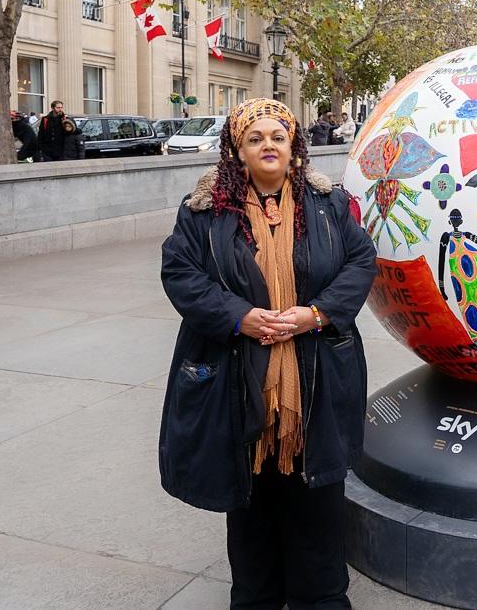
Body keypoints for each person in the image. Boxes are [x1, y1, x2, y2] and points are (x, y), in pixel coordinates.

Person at [159, 98, 377, 608]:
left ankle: (320, 599)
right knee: (251, 506)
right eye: (254, 138)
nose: (268, 145)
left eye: (277, 136)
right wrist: (240, 317)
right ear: (237, 149)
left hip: (316, 374)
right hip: (240, 379)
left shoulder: (328, 204)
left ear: (293, 146)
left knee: (318, 503)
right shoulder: (204, 212)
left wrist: (316, 314)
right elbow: (181, 274)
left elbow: (360, 262)